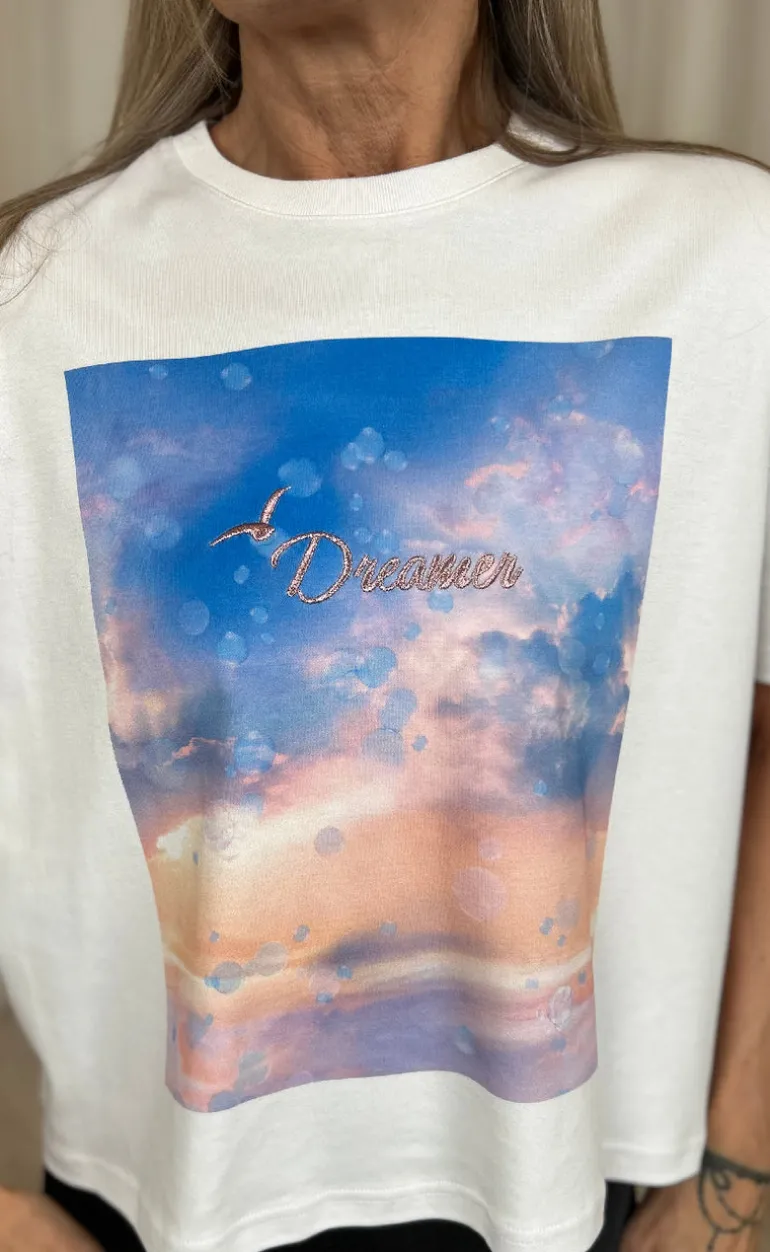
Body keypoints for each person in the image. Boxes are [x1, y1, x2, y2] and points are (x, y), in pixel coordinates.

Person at [1, 1, 770, 1249]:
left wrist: (739, 1170)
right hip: (161, 1205)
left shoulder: (721, 261)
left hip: (588, 1195)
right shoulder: (34, 296)